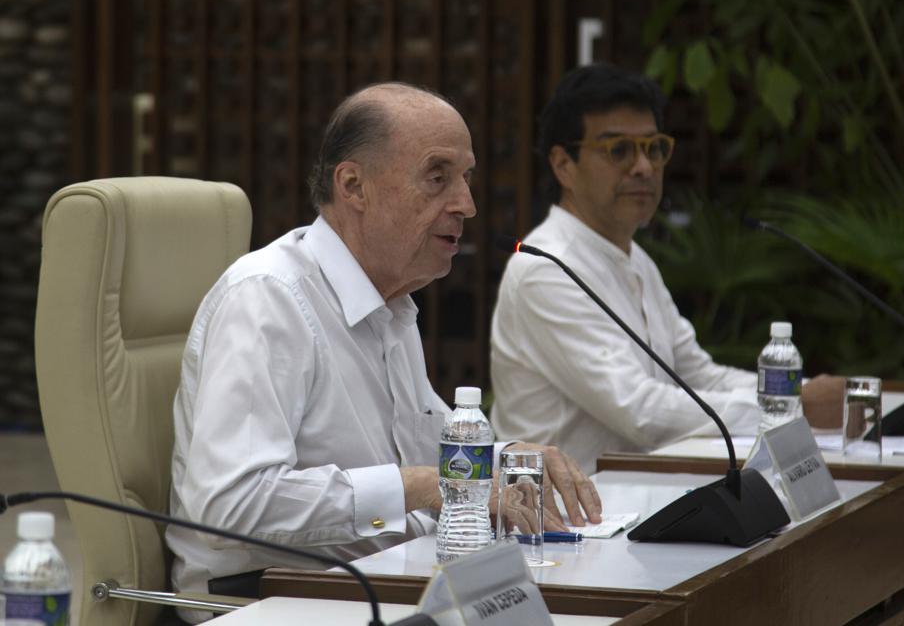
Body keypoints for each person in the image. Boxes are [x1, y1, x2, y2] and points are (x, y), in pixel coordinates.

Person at [167, 83, 601, 620]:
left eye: (466, 179)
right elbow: (230, 503)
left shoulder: (391, 304)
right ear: (354, 185)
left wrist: (514, 462)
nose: (466, 204)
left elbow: (435, 446)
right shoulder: (268, 298)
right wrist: (422, 486)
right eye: (437, 177)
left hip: (377, 579)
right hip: (265, 598)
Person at [490, 64, 844, 474]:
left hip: (632, 501)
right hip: (555, 520)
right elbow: (639, 410)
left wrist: (790, 394)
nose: (643, 167)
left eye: (653, 148)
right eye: (618, 150)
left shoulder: (635, 258)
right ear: (563, 164)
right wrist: (792, 408)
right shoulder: (546, 268)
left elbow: (697, 374)